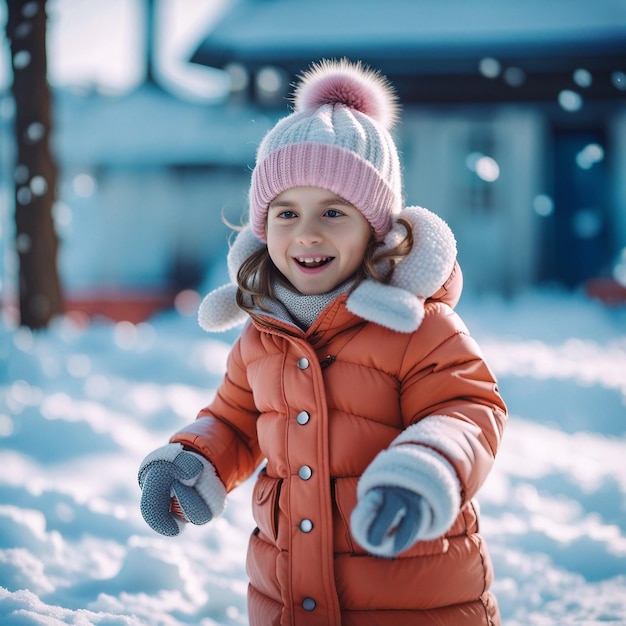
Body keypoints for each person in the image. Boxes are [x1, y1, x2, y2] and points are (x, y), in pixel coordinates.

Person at [137, 58, 507, 626]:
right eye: (287, 213)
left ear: (375, 228)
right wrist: (196, 458)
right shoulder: (264, 333)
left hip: (413, 599)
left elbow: (469, 409)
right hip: (289, 594)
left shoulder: (417, 326)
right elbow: (237, 420)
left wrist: (426, 467)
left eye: (334, 212)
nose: (307, 232)